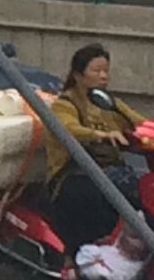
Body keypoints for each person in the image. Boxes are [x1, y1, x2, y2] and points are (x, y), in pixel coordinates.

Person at [31, 41, 141, 250]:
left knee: (145, 192)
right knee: (91, 195)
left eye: (106, 71)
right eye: (96, 71)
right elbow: (68, 128)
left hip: (110, 169)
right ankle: (82, 252)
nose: (103, 76)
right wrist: (99, 134)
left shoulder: (111, 104)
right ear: (78, 74)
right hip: (71, 173)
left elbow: (140, 123)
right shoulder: (64, 104)